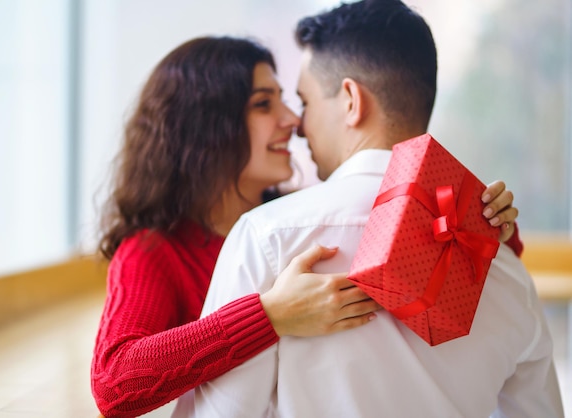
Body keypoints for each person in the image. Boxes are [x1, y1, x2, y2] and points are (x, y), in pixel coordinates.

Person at [90, 35, 520, 418]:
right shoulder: (154, 251)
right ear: (204, 124)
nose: (292, 122)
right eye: (264, 104)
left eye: (286, 100)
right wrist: (269, 316)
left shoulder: (297, 222)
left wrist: (490, 223)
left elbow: (455, 269)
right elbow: (114, 386)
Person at [178, 1, 564, 417]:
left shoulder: (266, 237)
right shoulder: (502, 265)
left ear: (350, 100)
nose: (299, 125)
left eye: (305, 103)